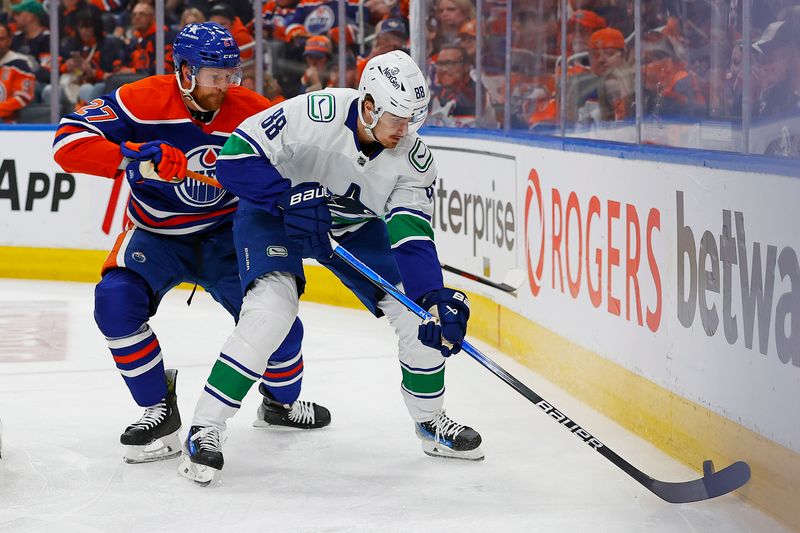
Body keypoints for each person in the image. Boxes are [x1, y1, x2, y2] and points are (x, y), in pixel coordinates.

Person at [180, 49, 482, 485]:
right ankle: (205, 428)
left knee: (419, 318)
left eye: (414, 119)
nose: (406, 130)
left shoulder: (414, 160)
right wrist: (286, 197)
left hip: (354, 225)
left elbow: (411, 236)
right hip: (275, 213)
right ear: (369, 105)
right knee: (270, 313)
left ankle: (431, 423)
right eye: (397, 117)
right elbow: (233, 157)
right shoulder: (315, 113)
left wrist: (432, 296)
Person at [52, 21, 330, 465]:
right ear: (183, 70)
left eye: (231, 75)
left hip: (229, 235)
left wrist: (297, 199)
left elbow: (296, 162)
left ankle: (279, 403)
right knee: (115, 303)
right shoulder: (139, 101)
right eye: (212, 75)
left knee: (280, 326)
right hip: (156, 233)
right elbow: (67, 143)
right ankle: (157, 405)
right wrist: (133, 159)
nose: (223, 86)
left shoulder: (253, 109)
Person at [0, 21, 35, 123]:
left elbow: (22, 98)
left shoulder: (20, 63)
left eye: (1, 39)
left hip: (8, 123)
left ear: (9, 41)